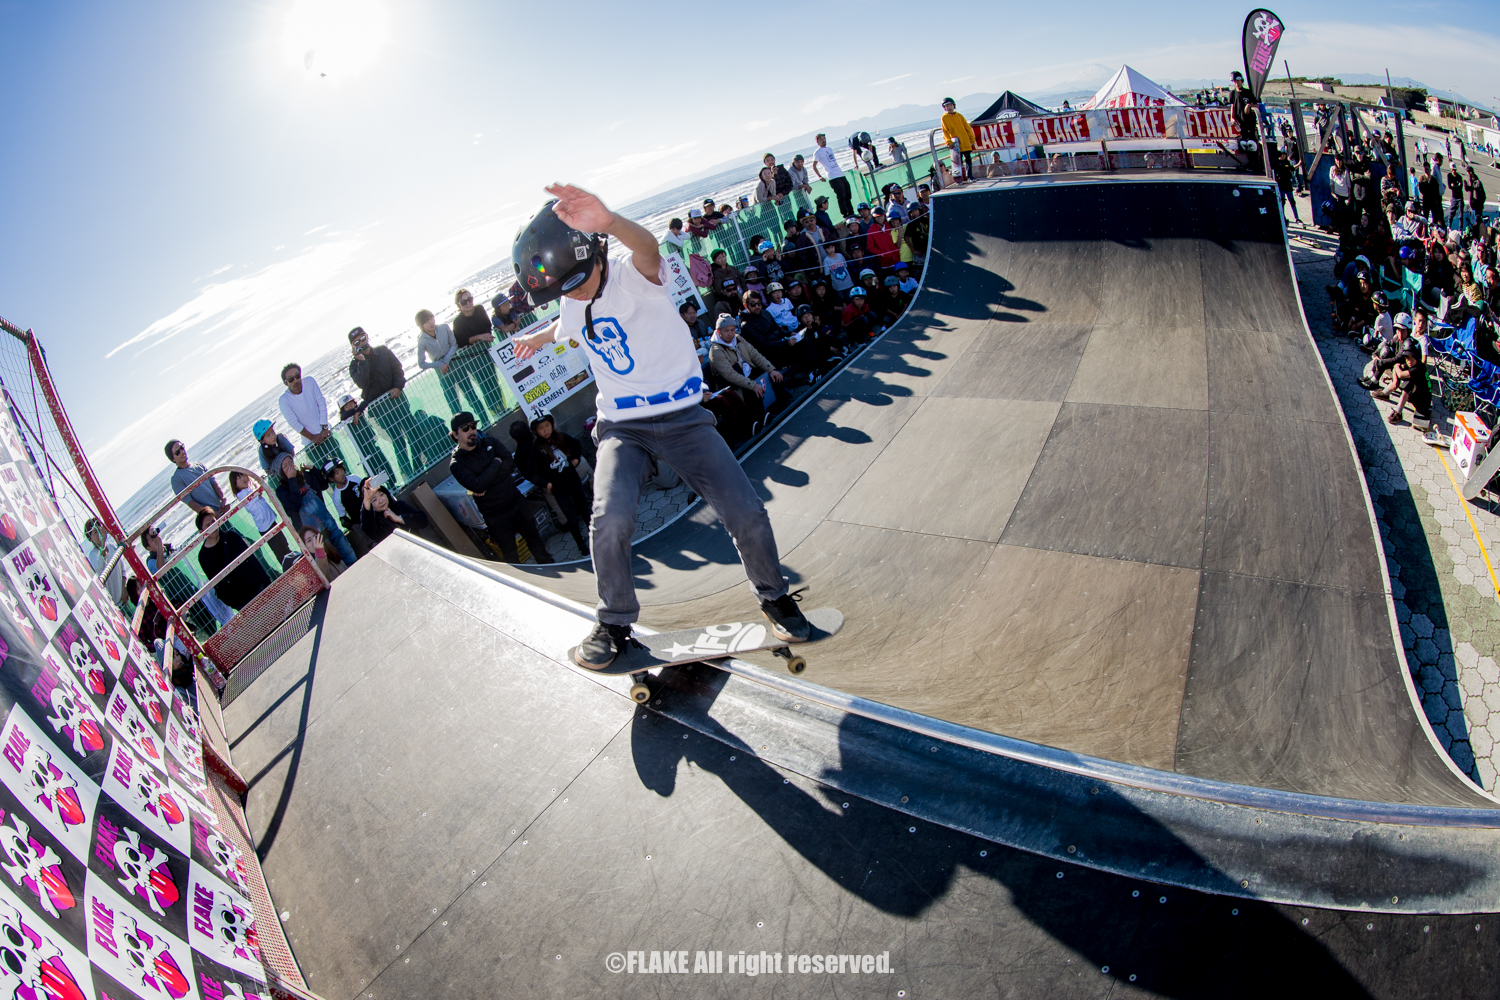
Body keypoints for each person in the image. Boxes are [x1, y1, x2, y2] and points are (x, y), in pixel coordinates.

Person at [509, 186, 810, 668]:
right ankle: (614, 622)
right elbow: (562, 325)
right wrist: (539, 338)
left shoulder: (634, 277)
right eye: (564, 289)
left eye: (579, 281)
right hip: (622, 428)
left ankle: (774, 597)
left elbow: (647, 248)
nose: (575, 293)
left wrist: (609, 221)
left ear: (597, 254)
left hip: (684, 419)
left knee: (746, 511)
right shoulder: (570, 299)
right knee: (609, 519)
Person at [448, 412, 554, 564]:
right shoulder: (457, 463)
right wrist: (496, 463)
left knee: (535, 539)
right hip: (495, 515)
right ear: (455, 434)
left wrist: (485, 480)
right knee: (510, 553)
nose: (471, 431)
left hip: (515, 500)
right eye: (465, 428)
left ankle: (549, 568)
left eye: (473, 426)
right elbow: (477, 485)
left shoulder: (489, 441)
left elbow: (509, 463)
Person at [347, 326, 415, 479]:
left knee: (413, 434)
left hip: (398, 400)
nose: (361, 343)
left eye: (362, 338)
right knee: (398, 442)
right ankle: (409, 475)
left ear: (367, 336)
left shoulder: (383, 351)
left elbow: (397, 369)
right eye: (356, 342)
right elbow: (362, 383)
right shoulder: (354, 366)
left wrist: (398, 387)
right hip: (381, 409)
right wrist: (361, 361)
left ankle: (418, 467)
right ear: (353, 346)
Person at [272, 453, 360, 568]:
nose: (289, 466)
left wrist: (313, 469)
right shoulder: (281, 491)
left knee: (342, 544)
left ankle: (355, 566)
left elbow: (324, 485)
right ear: (280, 472)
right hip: (312, 530)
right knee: (328, 555)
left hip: (326, 520)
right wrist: (291, 479)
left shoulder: (304, 476)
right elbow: (295, 504)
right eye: (285, 466)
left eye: (290, 462)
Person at [526, 414, 591, 556]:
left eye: (547, 425)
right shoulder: (536, 448)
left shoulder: (560, 436)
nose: (546, 430)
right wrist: (546, 484)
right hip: (559, 489)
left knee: (585, 510)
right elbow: (531, 473)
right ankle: (581, 544)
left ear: (552, 424)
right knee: (571, 518)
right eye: (541, 428)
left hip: (573, 481)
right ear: (535, 431)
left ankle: (595, 535)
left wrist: (576, 459)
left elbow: (576, 444)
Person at [195, 509, 272, 612]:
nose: (212, 526)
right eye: (207, 525)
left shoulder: (231, 536)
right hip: (239, 601)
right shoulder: (203, 557)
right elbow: (215, 583)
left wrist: (267, 582)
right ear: (201, 532)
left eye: (213, 521)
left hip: (256, 585)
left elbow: (252, 559)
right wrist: (232, 602)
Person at [452, 289, 509, 420]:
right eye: (464, 302)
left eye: (469, 299)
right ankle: (496, 413)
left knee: (494, 381)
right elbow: (461, 341)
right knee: (485, 385)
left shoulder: (479, 309)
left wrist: (485, 336)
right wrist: (480, 337)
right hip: (472, 357)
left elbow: (487, 326)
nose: (468, 303)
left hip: (486, 350)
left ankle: (503, 408)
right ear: (458, 305)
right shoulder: (457, 321)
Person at [228, 470, 292, 565]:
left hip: (269, 521)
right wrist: (259, 483)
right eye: (239, 478)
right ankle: (288, 566)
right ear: (235, 484)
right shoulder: (241, 494)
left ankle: (292, 561)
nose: (243, 478)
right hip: (265, 526)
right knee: (278, 550)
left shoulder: (248, 489)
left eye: (244, 475)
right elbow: (256, 493)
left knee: (284, 543)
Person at [358, 479, 430, 546]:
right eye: (374, 500)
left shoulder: (399, 505)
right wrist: (367, 499)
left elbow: (423, 520)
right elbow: (369, 529)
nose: (380, 501)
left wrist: (399, 518)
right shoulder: (375, 522)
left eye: (381, 494)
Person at [277, 363, 332, 447]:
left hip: (327, 433)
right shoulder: (284, 400)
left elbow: (321, 402)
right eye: (291, 379)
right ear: (285, 383)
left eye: (297, 376)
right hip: (310, 444)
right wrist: (312, 437)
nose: (296, 380)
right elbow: (293, 423)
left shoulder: (310, 381)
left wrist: (324, 428)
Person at [166, 441, 224, 514]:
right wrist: (211, 515)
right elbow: (189, 501)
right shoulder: (176, 479)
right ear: (173, 459)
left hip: (222, 508)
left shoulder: (199, 465)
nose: (182, 452)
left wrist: (223, 500)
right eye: (177, 452)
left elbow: (213, 482)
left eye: (182, 447)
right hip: (211, 517)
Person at [83, 518, 125, 608]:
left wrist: (124, 589)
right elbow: (101, 565)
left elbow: (122, 569)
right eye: (95, 532)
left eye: (99, 529)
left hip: (124, 597)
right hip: (114, 606)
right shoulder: (92, 555)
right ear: (90, 539)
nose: (99, 533)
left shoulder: (111, 546)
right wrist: (103, 543)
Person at [811, 132, 854, 217]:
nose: (823, 140)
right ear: (817, 142)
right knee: (841, 195)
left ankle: (851, 212)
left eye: (824, 138)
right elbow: (814, 166)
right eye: (820, 139)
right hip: (833, 176)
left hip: (840, 173)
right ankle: (845, 214)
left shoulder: (829, 149)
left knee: (848, 193)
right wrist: (819, 176)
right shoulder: (817, 152)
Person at [940, 98, 976, 183]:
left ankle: (970, 176)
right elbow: (945, 131)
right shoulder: (944, 117)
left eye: (950, 105)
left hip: (965, 141)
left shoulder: (959, 116)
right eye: (947, 106)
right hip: (956, 144)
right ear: (944, 108)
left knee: (968, 160)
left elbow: (968, 128)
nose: (949, 107)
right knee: (957, 162)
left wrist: (972, 140)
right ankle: (959, 178)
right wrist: (948, 142)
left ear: (954, 106)